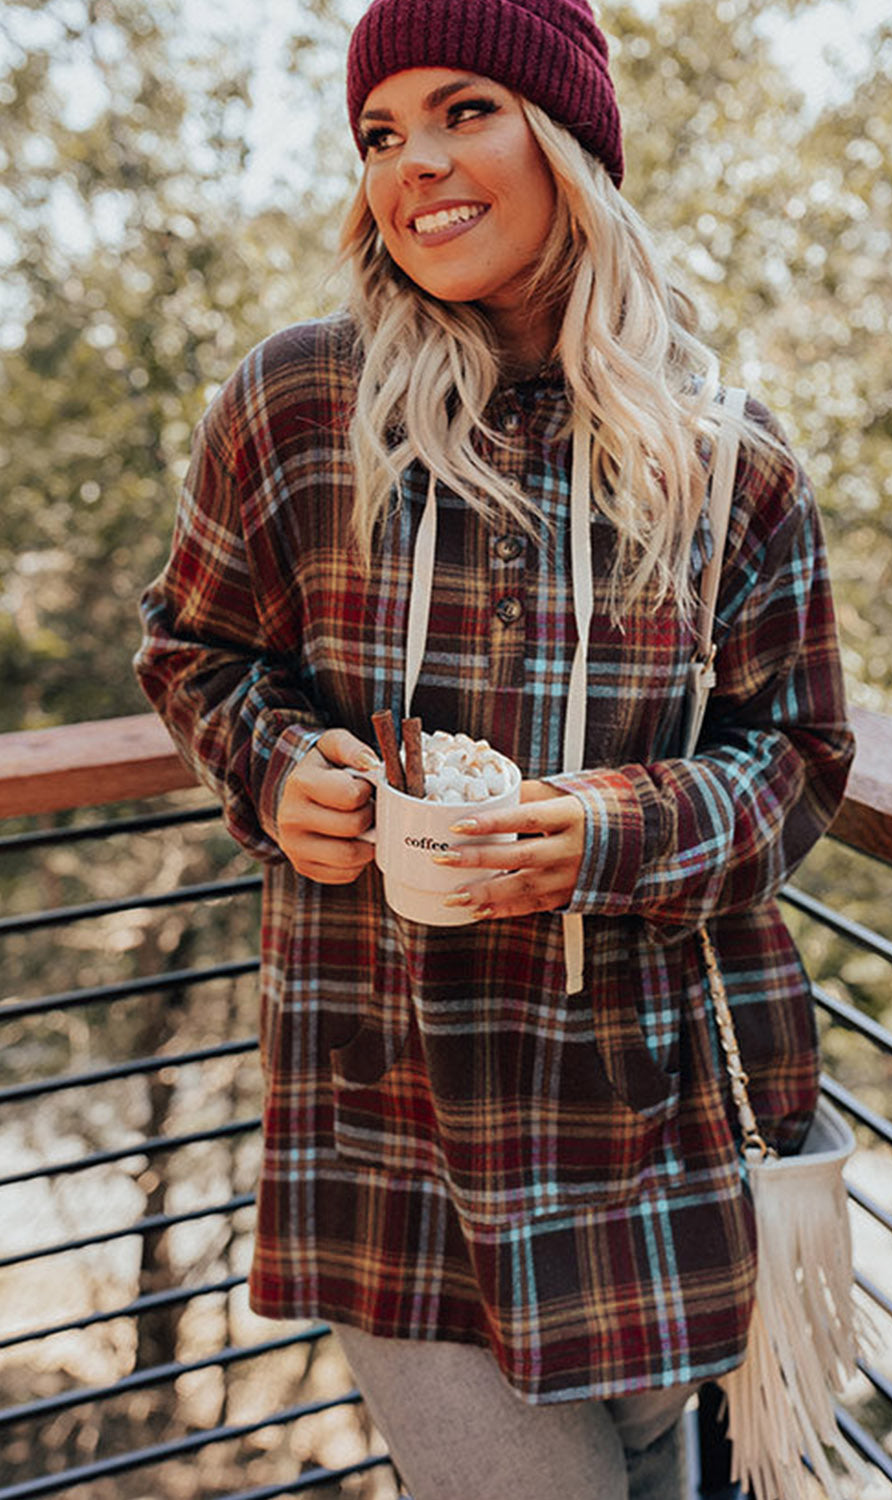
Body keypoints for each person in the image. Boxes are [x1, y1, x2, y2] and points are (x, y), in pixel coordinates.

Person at [135, 1, 855, 1495]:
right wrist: (278, 771)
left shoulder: (729, 455)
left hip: (647, 1127)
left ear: (570, 137)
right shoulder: (295, 407)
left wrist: (604, 832)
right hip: (385, 1122)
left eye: (465, 109)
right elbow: (192, 651)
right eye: (382, 133)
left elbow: (792, 757)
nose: (416, 165)